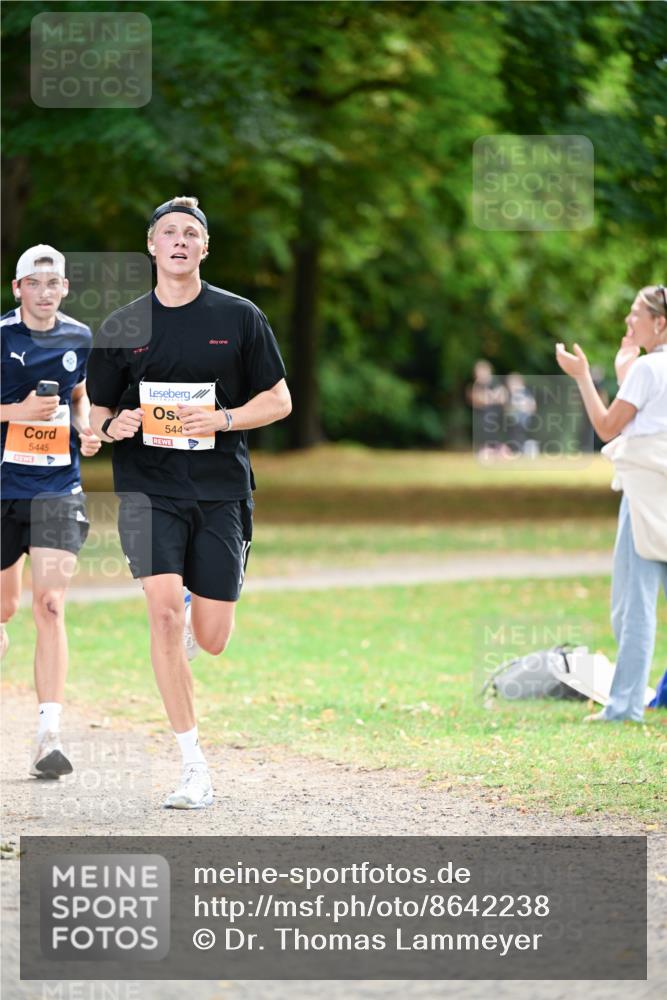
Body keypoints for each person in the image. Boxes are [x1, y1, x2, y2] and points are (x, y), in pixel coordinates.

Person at [87, 196, 291, 809]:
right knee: (164, 619)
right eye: (168, 233)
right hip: (149, 490)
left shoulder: (240, 316)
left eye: (190, 234)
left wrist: (224, 418)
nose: (179, 241)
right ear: (151, 246)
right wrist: (110, 427)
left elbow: (278, 400)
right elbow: (95, 419)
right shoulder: (123, 326)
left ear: (205, 249)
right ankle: (193, 766)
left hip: (222, 491)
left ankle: (189, 605)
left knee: (213, 634)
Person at [1, 245, 101, 777]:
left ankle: (48, 736)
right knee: (3, 611)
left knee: (51, 604)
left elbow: (80, 393)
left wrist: (84, 424)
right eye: (34, 283)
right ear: (17, 288)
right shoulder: (0, 335)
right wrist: (13, 412)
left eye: (54, 283)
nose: (44, 291)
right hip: (1, 489)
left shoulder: (80, 337)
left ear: (64, 288)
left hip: (58, 487)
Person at [556, 284, 667, 722]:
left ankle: (623, 707)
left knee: (632, 605)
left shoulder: (646, 371)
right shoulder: (647, 369)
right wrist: (627, 366)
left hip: (644, 493)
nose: (628, 321)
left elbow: (607, 427)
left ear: (659, 323)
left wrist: (583, 375)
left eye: (635, 314)